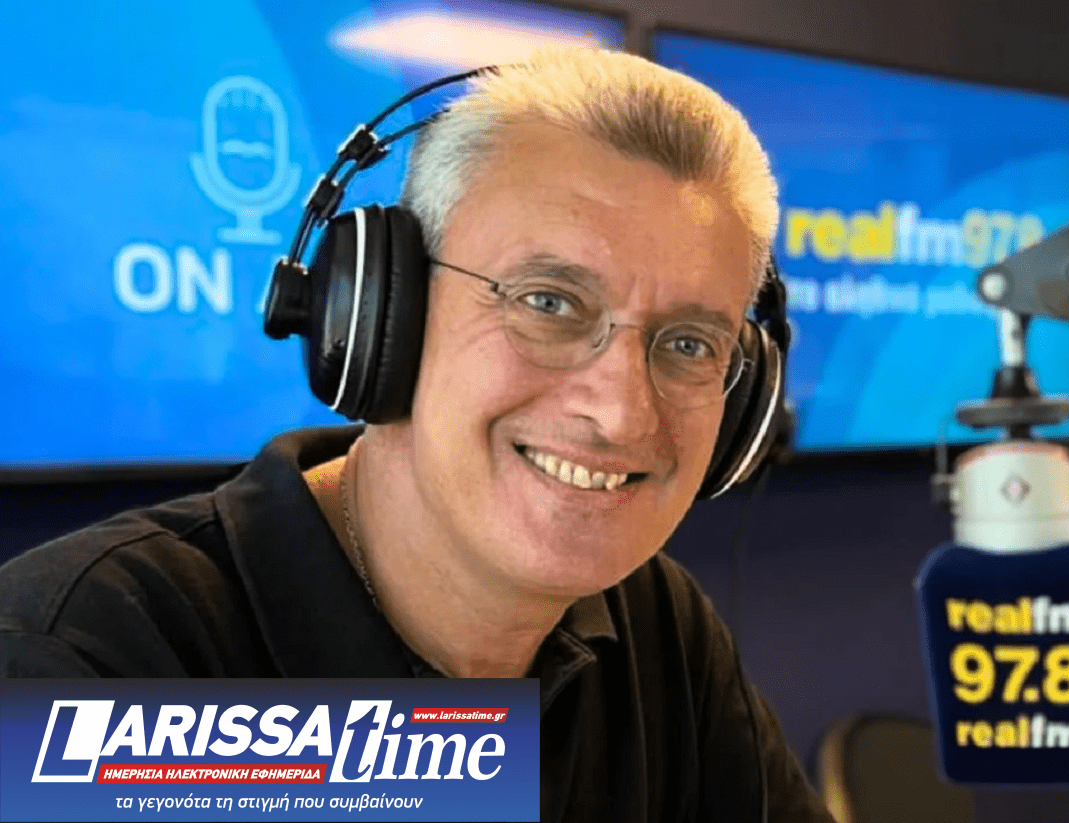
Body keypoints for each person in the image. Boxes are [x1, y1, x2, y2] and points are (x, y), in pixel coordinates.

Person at [0, 49, 833, 821]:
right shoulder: (86, 662)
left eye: (689, 344)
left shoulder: (654, 622)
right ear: (379, 316)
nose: (619, 412)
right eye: (548, 302)